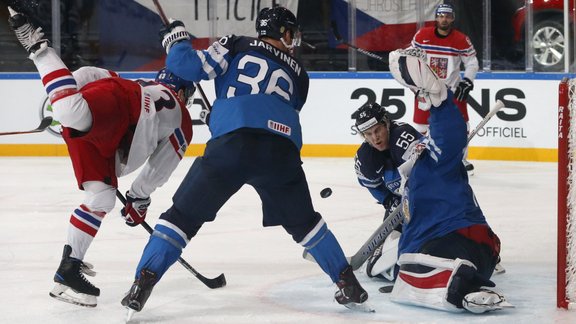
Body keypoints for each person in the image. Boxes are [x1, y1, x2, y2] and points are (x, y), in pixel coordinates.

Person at [120, 5, 370, 317]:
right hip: (281, 151)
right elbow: (275, 108)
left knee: (181, 218)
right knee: (306, 223)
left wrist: (177, 39)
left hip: (232, 145)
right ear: (285, 33)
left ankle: (144, 279)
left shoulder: (237, 43)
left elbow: (186, 66)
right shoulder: (300, 74)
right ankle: (346, 281)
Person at [7, 7, 195, 307]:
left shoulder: (142, 83)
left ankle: (67, 271)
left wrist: (72, 87)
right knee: (72, 112)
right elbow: (160, 168)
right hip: (123, 112)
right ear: (184, 92)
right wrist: (138, 198)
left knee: (101, 198)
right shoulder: (182, 117)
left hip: (106, 137)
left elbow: (89, 74)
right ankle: (39, 49)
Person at [384, 47, 512, 314]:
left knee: (414, 269)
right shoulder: (411, 188)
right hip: (466, 247)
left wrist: (440, 100)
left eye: (413, 145)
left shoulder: (436, 164)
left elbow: (449, 136)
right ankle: (463, 288)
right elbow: (410, 241)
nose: (411, 149)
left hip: (463, 238)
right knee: (406, 269)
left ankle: (461, 285)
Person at [351, 102, 422, 281]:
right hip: (402, 205)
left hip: (430, 197)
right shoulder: (365, 157)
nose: (375, 138)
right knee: (377, 266)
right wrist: (388, 200)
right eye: (368, 134)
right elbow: (373, 186)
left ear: (386, 124)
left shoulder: (403, 136)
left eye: (377, 130)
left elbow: (428, 175)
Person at [410, 3, 479, 175]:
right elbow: (410, 57)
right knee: (420, 125)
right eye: (441, 16)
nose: (444, 19)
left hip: (451, 90)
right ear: (436, 17)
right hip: (426, 89)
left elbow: (471, 62)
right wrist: (414, 82)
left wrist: (467, 81)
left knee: (462, 125)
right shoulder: (422, 35)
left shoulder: (461, 39)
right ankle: (421, 158)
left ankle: (460, 159)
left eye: (447, 16)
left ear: (453, 18)